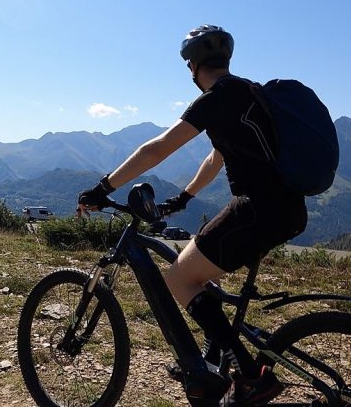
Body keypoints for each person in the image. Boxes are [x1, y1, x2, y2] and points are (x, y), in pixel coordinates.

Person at [78, 25, 308, 406]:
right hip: (290, 210)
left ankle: (250, 378)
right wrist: (184, 197)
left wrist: (104, 188)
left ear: (193, 66)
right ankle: (218, 366)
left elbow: (158, 149)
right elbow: (217, 157)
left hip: (257, 209)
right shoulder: (250, 93)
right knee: (205, 275)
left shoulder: (215, 98)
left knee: (180, 278)